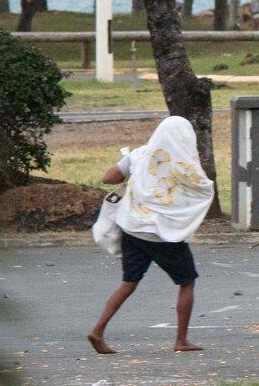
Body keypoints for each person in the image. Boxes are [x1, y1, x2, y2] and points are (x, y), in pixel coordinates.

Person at [87, 116, 215, 355]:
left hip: (132, 228)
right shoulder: (186, 165)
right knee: (187, 282)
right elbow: (200, 191)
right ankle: (181, 340)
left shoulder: (140, 154)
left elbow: (109, 178)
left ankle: (98, 331)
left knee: (128, 282)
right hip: (162, 235)